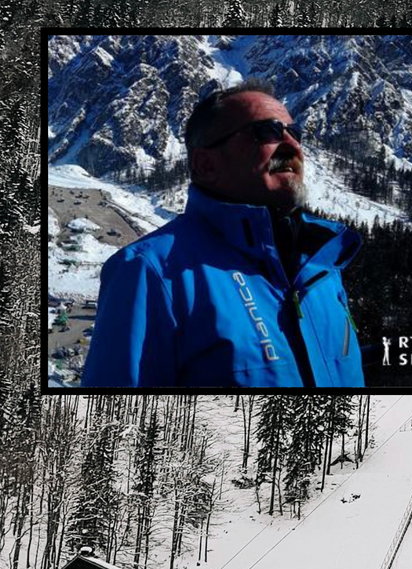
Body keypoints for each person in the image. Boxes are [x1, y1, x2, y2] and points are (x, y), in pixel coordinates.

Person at [82, 79, 364, 387]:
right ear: (206, 164)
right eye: (266, 131)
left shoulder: (321, 264)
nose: (292, 145)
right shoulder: (150, 272)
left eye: (294, 133)